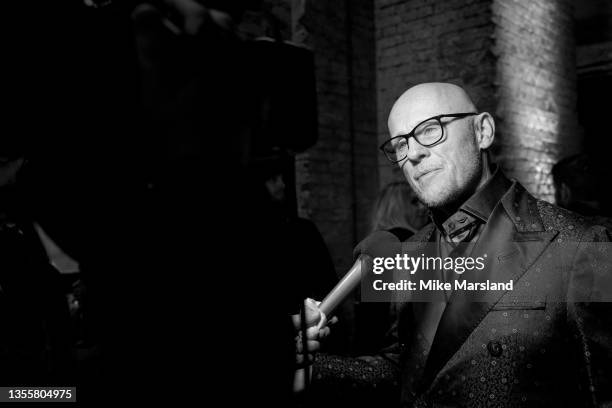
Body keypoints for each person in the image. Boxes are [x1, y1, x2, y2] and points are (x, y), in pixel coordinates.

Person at [298, 82, 612, 407]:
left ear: (483, 131)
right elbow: (405, 372)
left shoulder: (585, 243)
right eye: (400, 144)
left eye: (430, 129)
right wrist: (311, 368)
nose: (414, 153)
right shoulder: (410, 253)